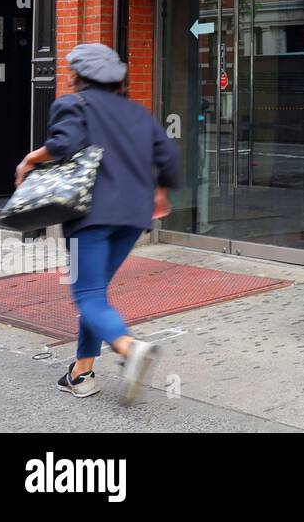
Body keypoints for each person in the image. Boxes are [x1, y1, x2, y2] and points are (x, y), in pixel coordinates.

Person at [15, 43, 179, 404]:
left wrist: (30, 158)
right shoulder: (138, 113)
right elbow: (168, 155)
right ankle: (82, 372)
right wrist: (162, 193)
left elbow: (64, 143)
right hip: (134, 217)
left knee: (87, 295)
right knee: (96, 292)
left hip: (90, 215)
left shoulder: (74, 104)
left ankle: (128, 347)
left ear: (77, 75)